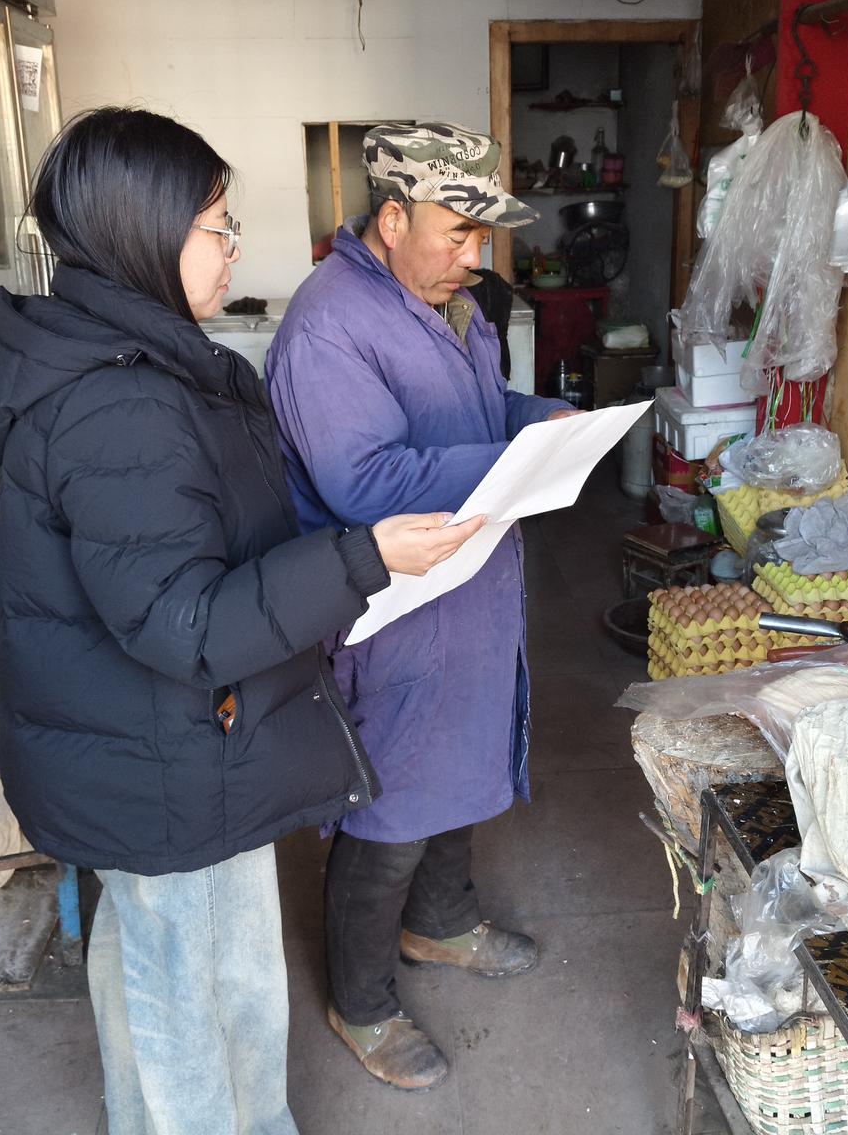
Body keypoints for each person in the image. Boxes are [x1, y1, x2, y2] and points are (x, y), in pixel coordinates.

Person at [0, 107, 482, 1135]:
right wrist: (363, 557)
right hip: (166, 755)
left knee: (151, 964)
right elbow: (185, 626)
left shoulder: (136, 363)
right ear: (145, 233)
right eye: (218, 227)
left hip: (153, 745)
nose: (234, 248)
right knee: (203, 996)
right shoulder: (122, 405)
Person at [265, 121, 576, 1091]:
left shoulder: (455, 304)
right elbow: (363, 482)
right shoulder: (330, 322)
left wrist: (545, 422)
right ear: (393, 220)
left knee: (463, 754)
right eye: (458, 233)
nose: (475, 256)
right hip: (395, 606)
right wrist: (516, 462)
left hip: (469, 587)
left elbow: (485, 411)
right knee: (393, 797)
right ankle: (360, 1002)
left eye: (484, 237)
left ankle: (441, 922)